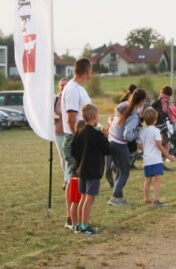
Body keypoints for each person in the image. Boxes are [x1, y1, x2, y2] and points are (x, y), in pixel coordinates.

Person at [61, 58, 93, 230]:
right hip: (75, 138)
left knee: (77, 178)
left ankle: (75, 218)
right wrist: (80, 140)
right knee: (75, 179)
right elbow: (72, 118)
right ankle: (71, 219)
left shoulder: (80, 88)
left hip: (81, 137)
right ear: (87, 71)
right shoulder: (72, 89)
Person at [71, 104, 110, 235]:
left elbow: (73, 151)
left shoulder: (79, 132)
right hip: (93, 171)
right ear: (94, 117)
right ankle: (85, 226)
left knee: (83, 198)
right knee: (89, 198)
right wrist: (105, 137)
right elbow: (107, 150)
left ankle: (80, 224)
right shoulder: (96, 134)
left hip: (81, 170)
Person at [108, 88, 146, 206]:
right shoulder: (134, 115)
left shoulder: (122, 105)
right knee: (125, 171)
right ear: (141, 102)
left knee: (120, 169)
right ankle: (115, 197)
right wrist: (137, 132)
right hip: (120, 144)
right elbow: (128, 136)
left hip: (111, 140)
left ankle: (119, 195)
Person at [138, 107, 175, 205]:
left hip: (146, 160)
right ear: (155, 120)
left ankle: (146, 199)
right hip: (155, 159)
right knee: (157, 179)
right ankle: (155, 200)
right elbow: (159, 145)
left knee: (148, 179)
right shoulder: (156, 131)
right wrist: (168, 156)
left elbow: (139, 145)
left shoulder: (142, 131)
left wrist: (146, 148)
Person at [53, 78, 69, 191]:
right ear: (59, 86)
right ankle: (66, 177)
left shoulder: (70, 98)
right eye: (62, 85)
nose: (63, 87)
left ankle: (67, 180)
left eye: (65, 85)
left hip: (70, 132)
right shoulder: (55, 99)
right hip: (58, 132)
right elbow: (51, 113)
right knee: (63, 158)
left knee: (69, 157)